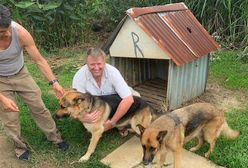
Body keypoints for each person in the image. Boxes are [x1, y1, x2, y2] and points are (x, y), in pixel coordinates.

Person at [0, 4, 69, 161]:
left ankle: (55, 138)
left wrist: (54, 82)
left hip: (21, 74)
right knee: (9, 117)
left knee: (39, 107)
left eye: (8, 28)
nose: (8, 33)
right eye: (2, 32)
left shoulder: (21, 33)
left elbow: (39, 60)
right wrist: (2, 98)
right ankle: (19, 147)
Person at [72, 47, 145, 135]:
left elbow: (128, 99)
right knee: (87, 114)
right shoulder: (79, 77)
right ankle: (108, 122)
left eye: (99, 64)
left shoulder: (113, 72)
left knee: (136, 98)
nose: (96, 68)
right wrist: (83, 118)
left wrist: (112, 123)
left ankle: (119, 123)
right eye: (92, 64)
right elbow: (74, 103)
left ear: (104, 62)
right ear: (86, 64)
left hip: (115, 98)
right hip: (96, 104)